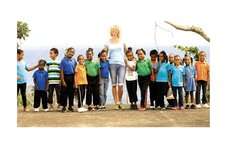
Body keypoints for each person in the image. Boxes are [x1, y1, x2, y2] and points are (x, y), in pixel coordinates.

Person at [104, 25, 128, 110]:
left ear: (118, 31)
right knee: (114, 84)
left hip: (121, 64)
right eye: (113, 30)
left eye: (116, 30)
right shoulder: (108, 41)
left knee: (121, 85)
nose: (114, 31)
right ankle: (116, 102)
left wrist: (131, 59)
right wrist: (102, 59)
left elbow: (127, 51)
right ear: (111, 31)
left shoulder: (122, 40)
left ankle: (120, 101)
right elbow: (104, 53)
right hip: (112, 64)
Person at [60, 47, 77, 112]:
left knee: (71, 92)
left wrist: (75, 81)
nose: (71, 53)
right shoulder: (63, 60)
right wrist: (63, 80)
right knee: (64, 92)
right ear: (67, 52)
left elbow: (75, 71)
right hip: (65, 77)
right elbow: (61, 71)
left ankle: (70, 106)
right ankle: (64, 106)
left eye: (72, 52)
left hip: (72, 77)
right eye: (70, 52)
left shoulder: (74, 61)